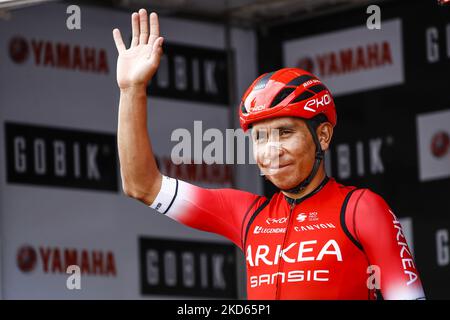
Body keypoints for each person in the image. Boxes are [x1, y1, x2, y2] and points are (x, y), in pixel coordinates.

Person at [113, 9, 426, 300]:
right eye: (260, 137)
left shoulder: (361, 209)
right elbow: (142, 185)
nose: (272, 151)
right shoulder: (247, 216)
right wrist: (132, 91)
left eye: (285, 133)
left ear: (323, 136)